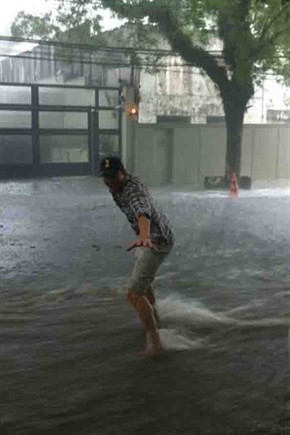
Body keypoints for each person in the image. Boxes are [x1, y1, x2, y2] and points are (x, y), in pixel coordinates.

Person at [100, 156, 174, 357]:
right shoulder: (118, 185)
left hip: (155, 240)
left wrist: (143, 236)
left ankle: (155, 341)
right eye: (106, 177)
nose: (110, 181)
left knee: (134, 293)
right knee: (144, 285)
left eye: (114, 176)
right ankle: (156, 321)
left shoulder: (133, 191)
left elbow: (142, 210)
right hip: (150, 238)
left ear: (123, 173)